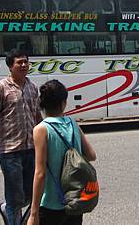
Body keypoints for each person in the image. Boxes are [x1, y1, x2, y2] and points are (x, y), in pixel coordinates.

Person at [0, 50, 43, 225]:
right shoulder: (1, 88)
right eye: (19, 62)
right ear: (10, 66)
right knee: (15, 196)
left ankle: (8, 209)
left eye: (25, 62)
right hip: (10, 151)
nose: (24, 65)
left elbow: (37, 117)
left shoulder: (32, 87)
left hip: (31, 148)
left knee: (31, 194)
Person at [27, 80, 96, 225]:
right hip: (74, 200)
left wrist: (33, 213)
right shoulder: (73, 123)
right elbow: (91, 155)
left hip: (50, 203)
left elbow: (40, 173)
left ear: (42, 104)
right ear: (64, 102)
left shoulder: (41, 129)